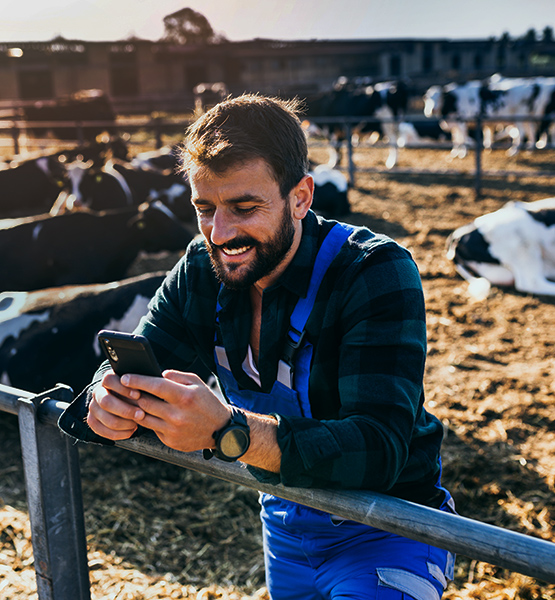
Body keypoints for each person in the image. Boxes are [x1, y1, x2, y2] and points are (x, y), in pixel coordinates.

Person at [59, 93, 455, 600]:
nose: (220, 233)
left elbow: (380, 447)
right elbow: (141, 358)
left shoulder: (374, 271)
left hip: (389, 529)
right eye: (205, 208)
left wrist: (229, 430)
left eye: (245, 208)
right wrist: (105, 400)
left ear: (301, 197)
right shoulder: (202, 267)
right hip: (284, 522)